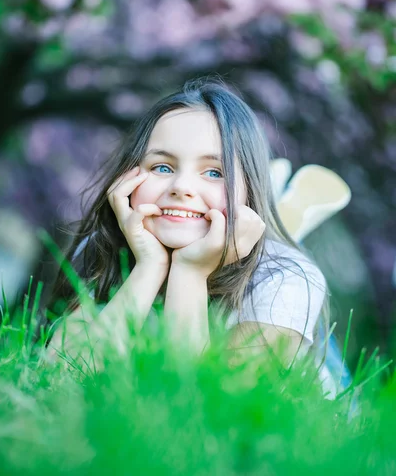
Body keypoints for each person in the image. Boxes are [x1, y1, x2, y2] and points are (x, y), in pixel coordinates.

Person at [45, 76, 350, 401]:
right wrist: (149, 266)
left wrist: (190, 272)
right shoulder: (103, 246)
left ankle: (280, 216)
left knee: (287, 253)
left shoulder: (285, 277)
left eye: (215, 172)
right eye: (162, 167)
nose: (181, 186)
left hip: (314, 407)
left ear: (247, 190)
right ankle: (276, 208)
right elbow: (57, 380)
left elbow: (208, 410)